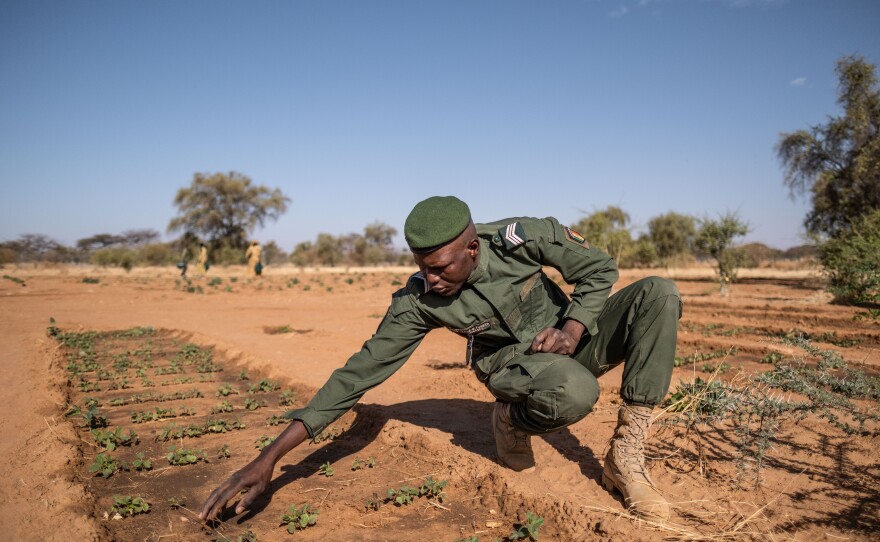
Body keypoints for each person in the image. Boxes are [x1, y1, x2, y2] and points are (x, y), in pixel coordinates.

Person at [199, 196, 682, 523]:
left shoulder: (520, 238)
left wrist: (572, 326)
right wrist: (268, 460)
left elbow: (599, 268)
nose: (429, 280)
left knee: (658, 293)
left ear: (472, 248)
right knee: (576, 391)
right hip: (514, 365)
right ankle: (512, 421)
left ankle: (625, 457)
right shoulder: (418, 301)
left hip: (571, 338)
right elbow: (356, 375)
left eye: (438, 267)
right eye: (420, 268)